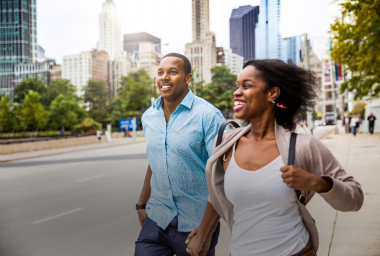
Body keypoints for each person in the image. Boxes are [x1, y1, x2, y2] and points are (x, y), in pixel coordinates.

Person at [186, 59, 363, 256]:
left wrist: (317, 183)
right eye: (238, 86)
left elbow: (354, 198)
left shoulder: (303, 146)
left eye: (247, 86)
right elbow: (215, 196)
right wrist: (203, 235)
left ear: (272, 93)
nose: (237, 92)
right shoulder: (226, 143)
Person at [134, 53, 225, 256]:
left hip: (196, 223)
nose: (164, 77)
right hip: (157, 218)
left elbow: (222, 177)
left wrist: (206, 232)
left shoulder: (209, 116)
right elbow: (156, 159)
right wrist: (142, 203)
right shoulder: (149, 116)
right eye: (160, 72)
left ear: (188, 78)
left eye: (173, 72)